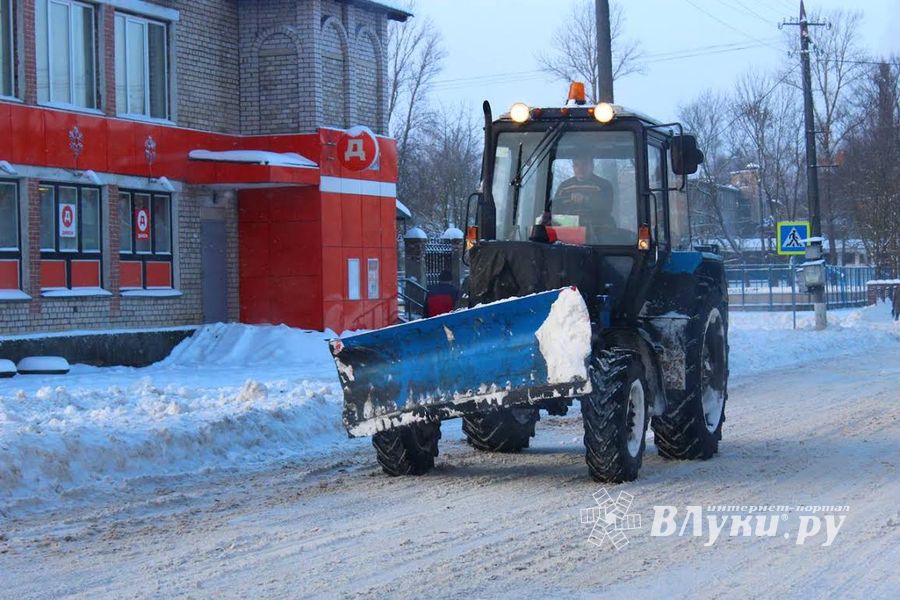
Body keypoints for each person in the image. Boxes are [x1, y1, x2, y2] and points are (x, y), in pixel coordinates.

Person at [552, 156, 615, 229]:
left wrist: (585, 199)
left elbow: (607, 208)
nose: (580, 169)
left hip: (599, 231)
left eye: (585, 164)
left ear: (592, 166)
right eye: (576, 165)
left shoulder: (604, 185)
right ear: (573, 167)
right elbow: (555, 209)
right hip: (570, 230)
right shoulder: (564, 186)